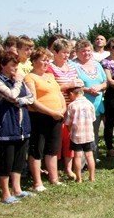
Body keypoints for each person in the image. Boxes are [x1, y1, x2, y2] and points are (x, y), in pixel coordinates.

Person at [0, 50, 35, 205]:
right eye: (12, 66)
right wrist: (17, 85)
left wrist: (19, 101)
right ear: (2, 65)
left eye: (17, 66)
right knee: (6, 160)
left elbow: (31, 97)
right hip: (6, 126)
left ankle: (17, 189)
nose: (15, 69)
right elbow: (11, 95)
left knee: (19, 158)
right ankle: (5, 193)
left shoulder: (16, 79)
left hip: (22, 126)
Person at [24, 47, 66, 191]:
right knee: (37, 149)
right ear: (34, 61)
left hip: (56, 116)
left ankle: (54, 178)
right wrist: (51, 112)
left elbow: (59, 94)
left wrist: (62, 109)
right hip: (39, 117)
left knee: (53, 148)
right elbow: (32, 101)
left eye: (48, 60)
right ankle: (37, 182)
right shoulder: (30, 77)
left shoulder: (50, 76)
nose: (46, 63)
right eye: (43, 60)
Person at [48, 38, 83, 179]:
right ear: (55, 53)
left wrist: (78, 85)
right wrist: (68, 85)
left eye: (68, 52)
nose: (66, 55)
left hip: (72, 108)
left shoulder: (72, 67)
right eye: (63, 52)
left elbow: (77, 83)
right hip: (58, 108)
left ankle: (68, 169)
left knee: (70, 140)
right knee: (57, 140)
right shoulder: (50, 68)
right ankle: (54, 170)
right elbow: (51, 88)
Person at [74, 40, 107, 158]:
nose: (86, 53)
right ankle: (81, 160)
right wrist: (87, 90)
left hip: (97, 104)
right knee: (81, 134)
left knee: (94, 131)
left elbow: (105, 82)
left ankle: (93, 157)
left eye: (88, 50)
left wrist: (100, 87)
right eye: (83, 51)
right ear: (77, 52)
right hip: (81, 105)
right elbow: (72, 84)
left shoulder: (97, 64)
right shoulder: (73, 65)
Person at [65, 86, 96, 182]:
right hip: (89, 134)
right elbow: (93, 118)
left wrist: (69, 130)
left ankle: (79, 178)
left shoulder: (72, 105)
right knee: (89, 156)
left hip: (76, 135)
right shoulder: (90, 104)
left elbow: (68, 122)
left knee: (77, 156)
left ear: (72, 94)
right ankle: (92, 177)